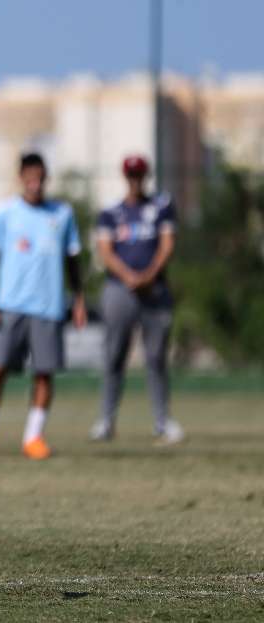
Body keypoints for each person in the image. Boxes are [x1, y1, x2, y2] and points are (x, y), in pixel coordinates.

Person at [0, 153, 87, 460]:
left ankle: (33, 437)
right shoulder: (4, 213)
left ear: (45, 177)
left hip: (49, 306)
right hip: (11, 305)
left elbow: (73, 260)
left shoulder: (62, 214)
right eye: (29, 174)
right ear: (21, 177)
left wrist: (78, 299)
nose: (34, 180)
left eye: (39, 174)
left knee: (44, 373)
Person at [89, 155, 184, 445]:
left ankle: (162, 421)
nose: (135, 180)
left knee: (156, 357)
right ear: (124, 177)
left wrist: (150, 275)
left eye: (139, 174)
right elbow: (105, 251)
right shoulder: (111, 212)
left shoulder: (161, 207)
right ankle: (106, 420)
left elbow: (167, 244)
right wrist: (129, 276)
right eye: (131, 175)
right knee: (114, 356)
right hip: (119, 290)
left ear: (146, 176)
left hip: (154, 290)